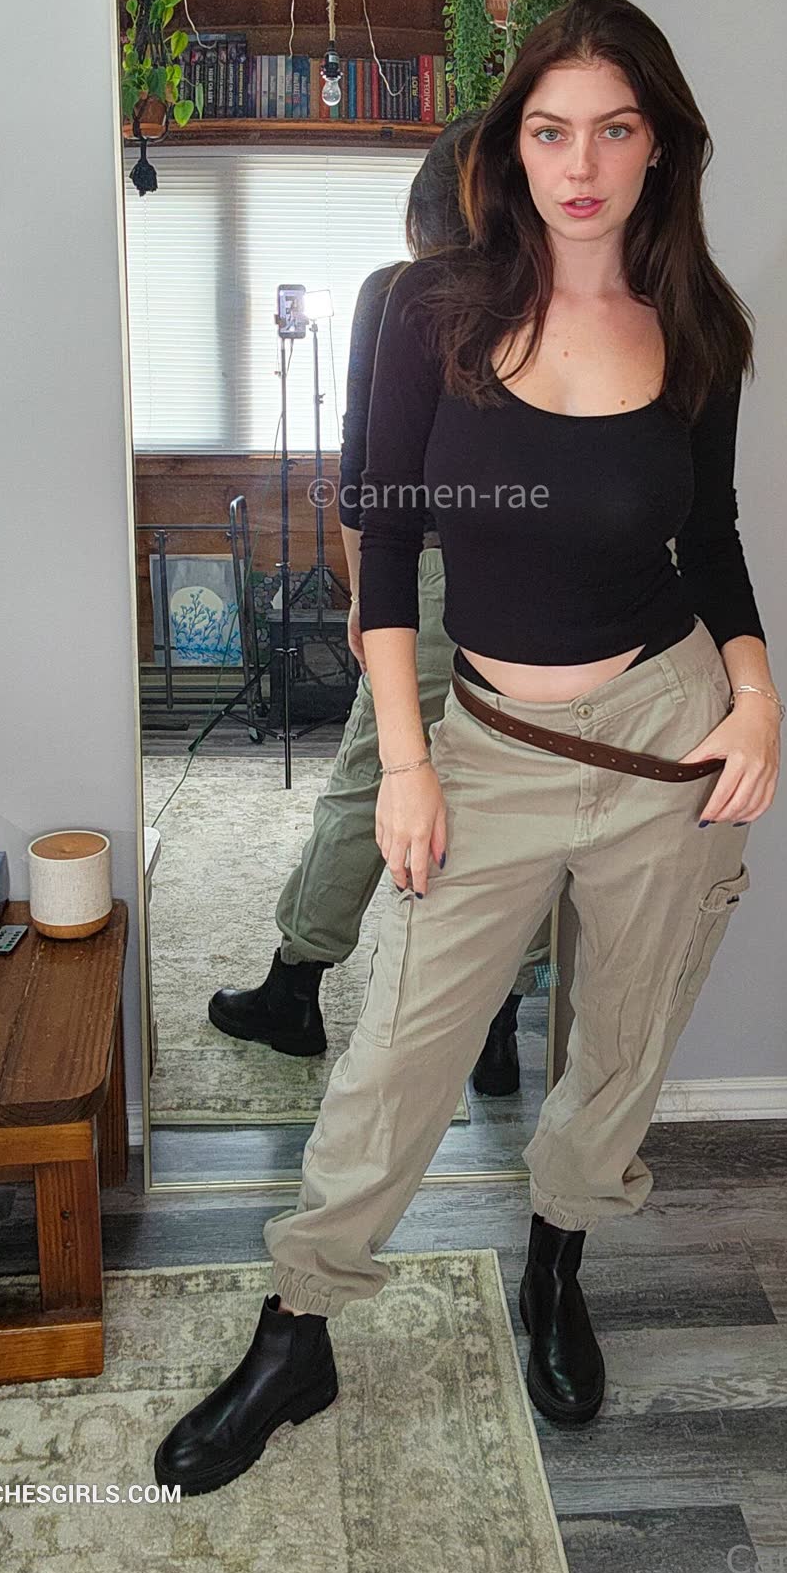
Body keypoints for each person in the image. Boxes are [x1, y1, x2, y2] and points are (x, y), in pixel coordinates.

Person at [155, 0, 784, 1495]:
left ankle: (555, 1270)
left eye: (615, 130)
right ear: (512, 145)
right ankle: (298, 1329)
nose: (582, 165)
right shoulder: (425, 311)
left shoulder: (702, 328)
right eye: (552, 131)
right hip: (490, 744)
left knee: (617, 1049)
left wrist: (758, 696)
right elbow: (384, 542)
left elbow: (713, 542)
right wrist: (408, 762)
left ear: (659, 145)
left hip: (667, 743)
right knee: (393, 1058)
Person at [206, 113, 552, 1099]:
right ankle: (497, 1026)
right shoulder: (557, 297)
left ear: (426, 208)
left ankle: (295, 987)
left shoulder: (398, 293)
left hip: (432, 577)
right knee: (519, 795)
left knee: (372, 778)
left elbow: (365, 477)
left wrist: (368, 599)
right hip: (544, 584)